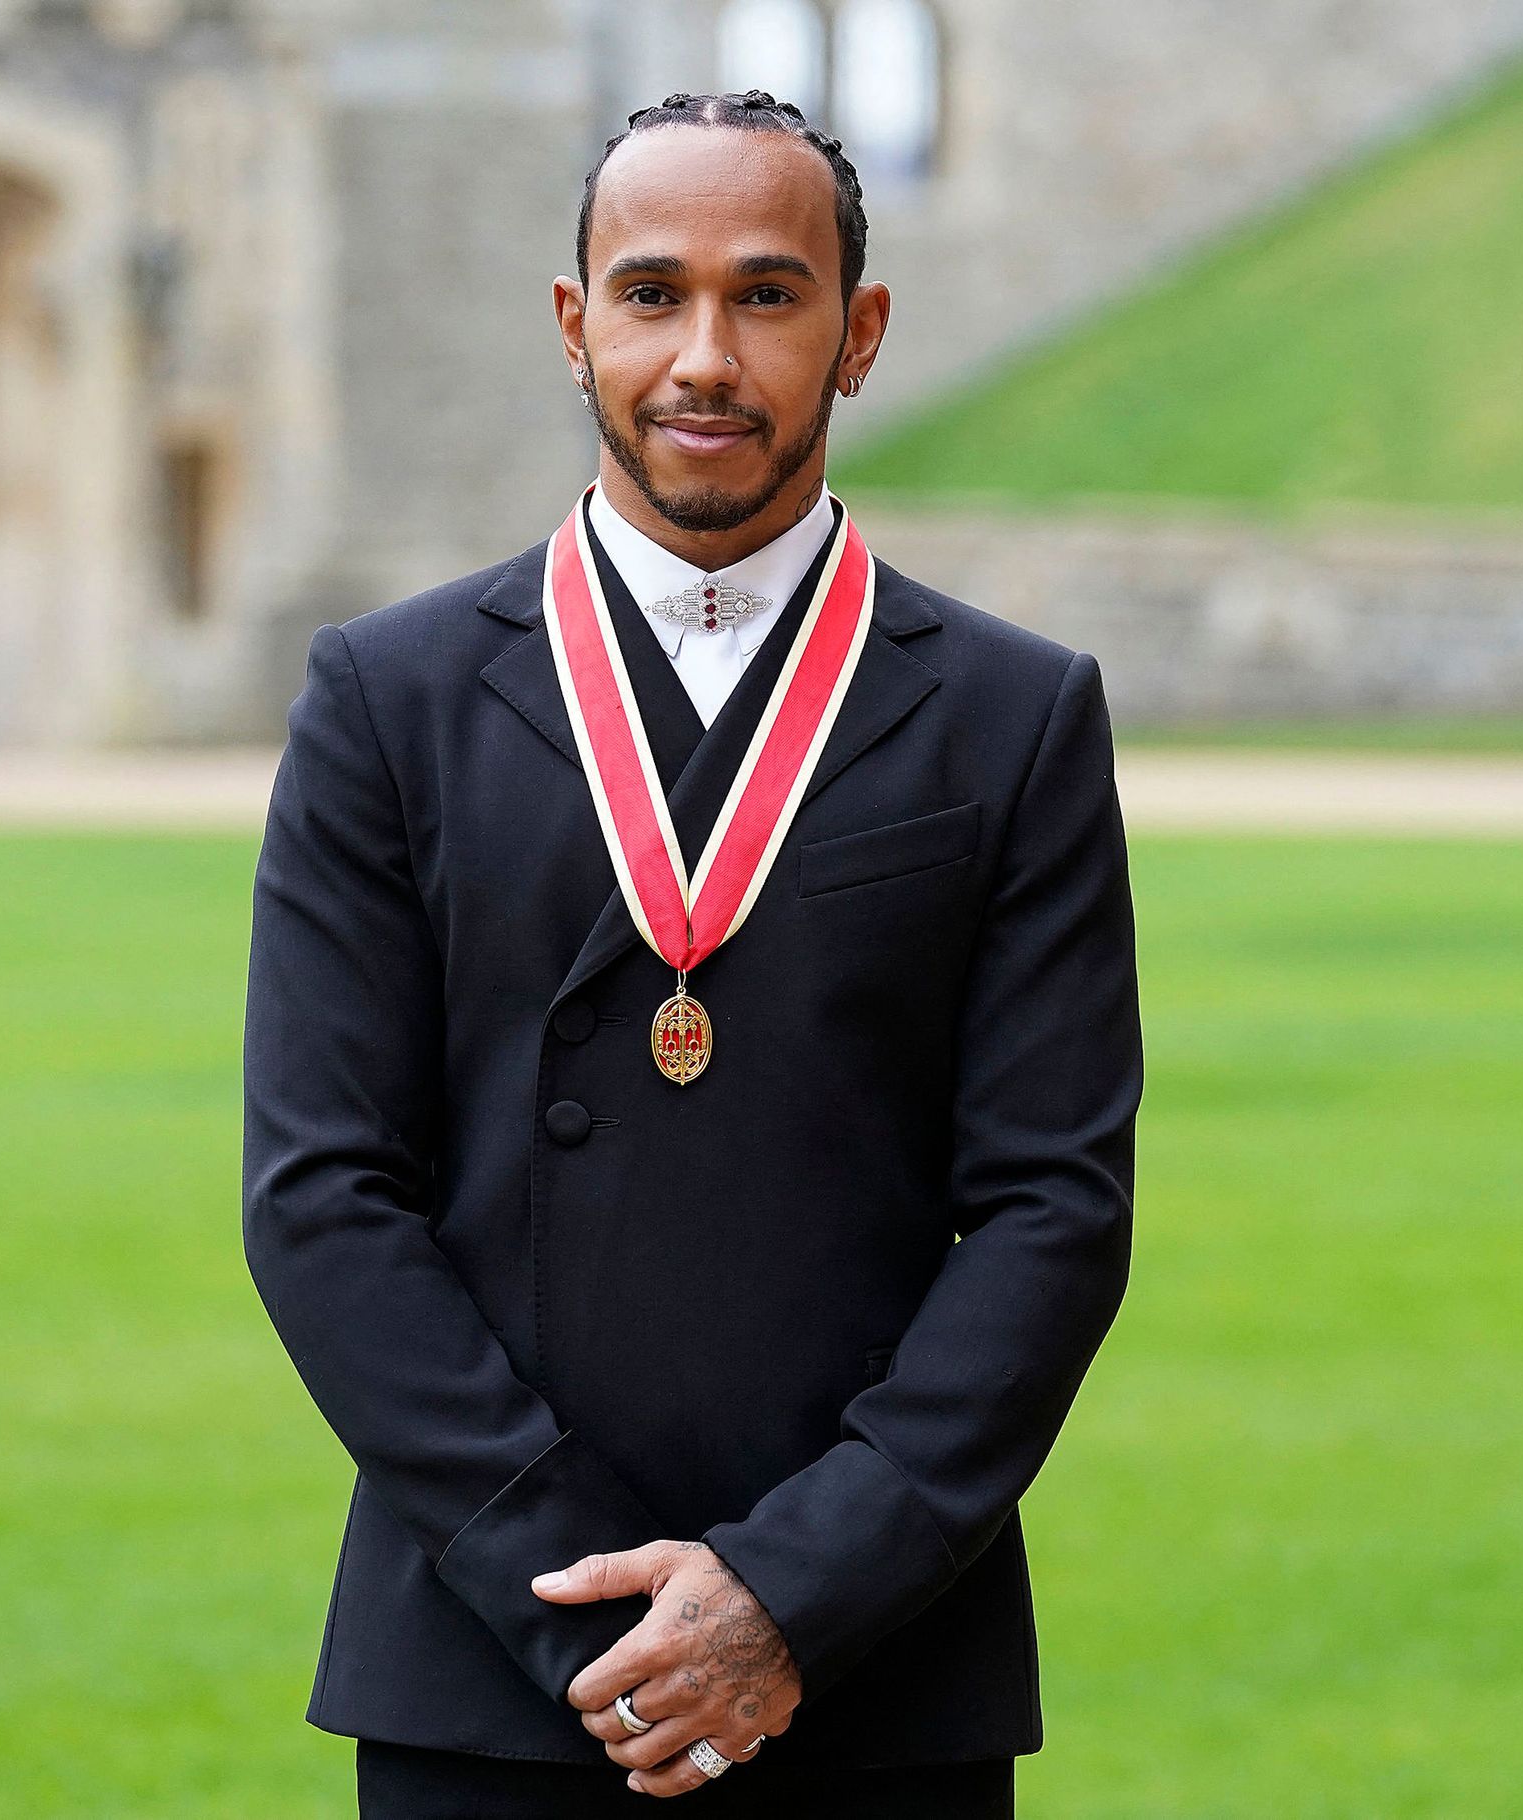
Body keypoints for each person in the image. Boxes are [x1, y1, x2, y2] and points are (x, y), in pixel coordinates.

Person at [241, 89, 1143, 1818]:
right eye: (652, 294)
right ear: (576, 327)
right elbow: (322, 1196)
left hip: (876, 1671)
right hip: (494, 1666)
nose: (705, 357)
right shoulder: (388, 700)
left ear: (859, 333)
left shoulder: (1015, 718)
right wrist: (585, 1601)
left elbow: (1053, 1207)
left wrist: (793, 1592)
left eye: (769, 293)